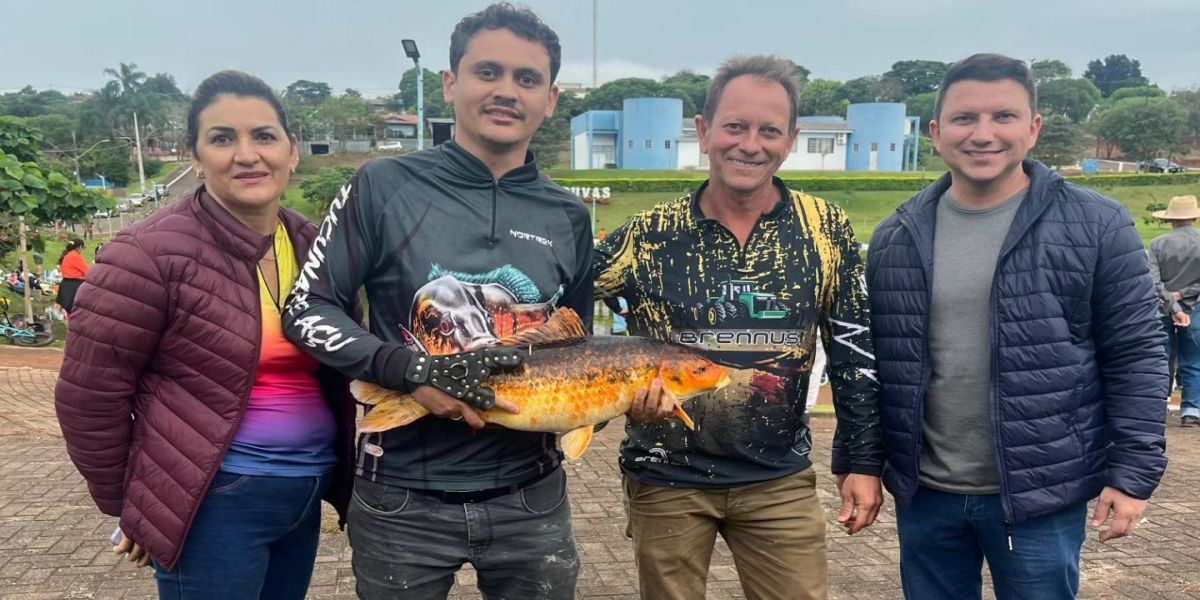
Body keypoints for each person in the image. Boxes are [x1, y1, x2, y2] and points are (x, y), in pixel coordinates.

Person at [281, 4, 592, 599]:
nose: (506, 91)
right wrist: (412, 370)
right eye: (487, 72)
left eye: (526, 79)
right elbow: (308, 309)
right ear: (451, 85)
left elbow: (572, 348)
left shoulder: (570, 217)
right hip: (402, 499)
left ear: (550, 99)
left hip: (532, 498)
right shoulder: (381, 186)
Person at [866, 54, 1169, 600]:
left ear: (1033, 129)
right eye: (964, 119)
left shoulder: (1097, 224)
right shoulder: (896, 237)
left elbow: (1137, 354)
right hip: (927, 495)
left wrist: (1133, 473)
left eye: (1003, 117)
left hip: (1039, 493)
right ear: (936, 132)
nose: (983, 134)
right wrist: (858, 462)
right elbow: (873, 365)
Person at [54, 70, 356, 600]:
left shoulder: (314, 245)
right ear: (195, 156)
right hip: (212, 504)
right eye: (222, 138)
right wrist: (133, 506)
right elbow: (88, 396)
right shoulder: (146, 255)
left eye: (264, 136)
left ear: (291, 153)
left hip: (305, 495)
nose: (247, 154)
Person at [593, 55, 883, 600]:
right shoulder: (649, 233)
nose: (750, 144)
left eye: (768, 130)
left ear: (790, 140)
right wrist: (610, 399)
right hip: (666, 477)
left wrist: (862, 461)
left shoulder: (825, 229)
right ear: (704, 133)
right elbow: (567, 318)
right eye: (734, 126)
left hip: (778, 479)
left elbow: (852, 350)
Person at [1148, 194, 1200, 427]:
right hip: (1195, 308)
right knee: (1193, 359)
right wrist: (1184, 295)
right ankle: (1191, 410)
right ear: (1194, 218)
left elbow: (1152, 281)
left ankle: (1157, 407)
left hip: (1161, 309)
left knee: (1161, 358)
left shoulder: (1158, 244)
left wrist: (1171, 302)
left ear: (1171, 219)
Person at [55, 238, 88, 314]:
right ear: (79, 247)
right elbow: (88, 272)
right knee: (77, 311)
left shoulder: (67, 255)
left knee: (71, 312)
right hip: (75, 285)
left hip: (67, 284)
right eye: (83, 248)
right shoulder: (75, 256)